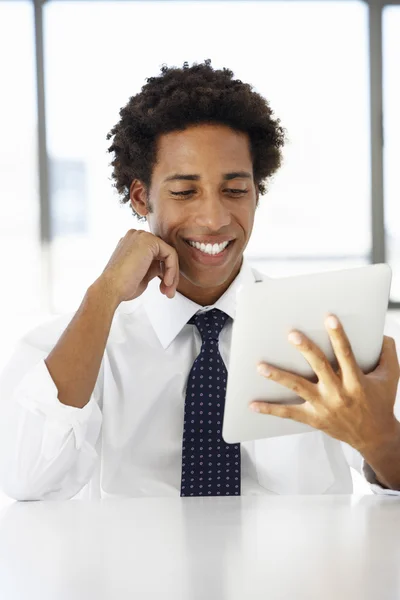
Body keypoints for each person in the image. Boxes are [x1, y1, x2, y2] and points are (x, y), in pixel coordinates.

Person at [0, 60, 399, 501]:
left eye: (235, 190)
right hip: (132, 571)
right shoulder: (71, 345)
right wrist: (105, 292)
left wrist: (380, 440)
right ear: (140, 198)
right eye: (184, 192)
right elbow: (26, 480)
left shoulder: (323, 334)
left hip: (296, 569)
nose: (214, 219)